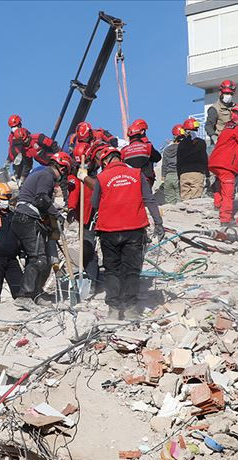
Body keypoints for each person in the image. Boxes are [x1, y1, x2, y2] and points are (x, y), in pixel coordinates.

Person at [91, 144, 164, 320]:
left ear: (105, 161)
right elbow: (149, 199)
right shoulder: (136, 174)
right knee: (132, 269)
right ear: (120, 158)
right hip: (134, 229)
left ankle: (114, 309)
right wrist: (158, 222)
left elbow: (94, 204)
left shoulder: (101, 177)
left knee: (112, 270)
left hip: (109, 231)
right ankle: (131, 309)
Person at [10, 152, 70, 308]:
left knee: (41, 259)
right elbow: (41, 199)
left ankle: (36, 293)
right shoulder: (47, 176)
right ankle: (24, 296)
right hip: (27, 218)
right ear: (61, 168)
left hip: (24, 218)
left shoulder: (41, 174)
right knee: (39, 258)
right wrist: (57, 215)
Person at [209, 104, 238, 226]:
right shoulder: (236, 129)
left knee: (219, 184)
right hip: (226, 164)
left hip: (215, 162)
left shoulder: (226, 128)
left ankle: (218, 204)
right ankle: (225, 219)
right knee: (229, 191)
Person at [121, 119, 161, 186]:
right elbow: (158, 158)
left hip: (130, 182)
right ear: (142, 132)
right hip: (146, 180)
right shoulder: (147, 146)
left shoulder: (123, 150)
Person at [177, 118, 209, 200]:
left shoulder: (181, 144)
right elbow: (204, 158)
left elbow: (179, 161)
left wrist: (179, 176)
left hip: (184, 174)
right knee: (196, 200)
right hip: (197, 173)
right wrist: (207, 174)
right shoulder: (201, 143)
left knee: (185, 201)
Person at [205, 79, 237, 145]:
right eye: (227, 93)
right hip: (221, 143)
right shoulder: (214, 109)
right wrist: (213, 137)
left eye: (231, 94)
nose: (229, 96)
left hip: (234, 141)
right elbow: (208, 125)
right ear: (220, 93)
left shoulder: (235, 107)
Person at [161, 125, 184, 204]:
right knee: (180, 201)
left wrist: (163, 176)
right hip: (178, 175)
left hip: (168, 176)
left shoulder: (167, 149)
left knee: (170, 202)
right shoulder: (183, 148)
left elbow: (164, 164)